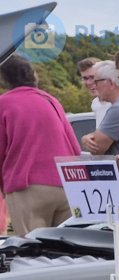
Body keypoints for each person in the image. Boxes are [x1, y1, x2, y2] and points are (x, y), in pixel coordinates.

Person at [0, 55, 83, 236]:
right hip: (66, 184)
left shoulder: (4, 103)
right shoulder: (51, 100)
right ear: (33, 75)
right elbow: (73, 144)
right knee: (65, 247)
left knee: (33, 249)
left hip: (27, 184)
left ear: (5, 78)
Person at [79, 61, 119, 158]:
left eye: (94, 79)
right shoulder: (96, 103)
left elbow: (98, 146)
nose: (91, 83)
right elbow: (106, 132)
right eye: (85, 78)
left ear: (110, 81)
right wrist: (86, 138)